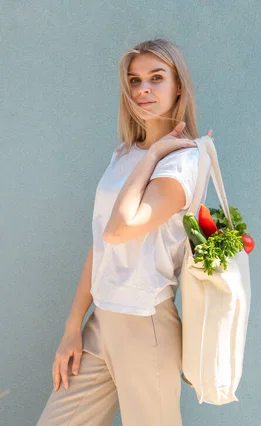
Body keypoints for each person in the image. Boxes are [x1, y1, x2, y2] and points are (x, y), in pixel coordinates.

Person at [37, 38, 212, 425]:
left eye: (156, 77)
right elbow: (101, 243)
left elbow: (120, 230)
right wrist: (73, 326)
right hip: (102, 322)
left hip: (145, 323)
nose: (143, 89)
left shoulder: (185, 160)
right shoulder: (123, 153)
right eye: (134, 80)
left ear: (178, 85)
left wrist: (154, 154)